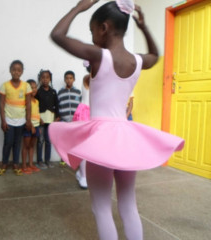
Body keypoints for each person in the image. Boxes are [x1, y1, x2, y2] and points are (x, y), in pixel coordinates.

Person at [49, 1, 184, 239]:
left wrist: (79, 7)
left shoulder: (99, 56)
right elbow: (155, 55)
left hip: (101, 138)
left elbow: (57, 35)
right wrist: (143, 28)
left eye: (92, 33)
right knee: (128, 205)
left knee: (101, 208)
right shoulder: (137, 61)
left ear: (104, 27)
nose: (92, 39)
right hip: (126, 138)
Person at [0, 60, 32, 176]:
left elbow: (28, 104)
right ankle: (4, 163)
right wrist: (3, 121)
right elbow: (1, 104)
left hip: (21, 120)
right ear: (10, 71)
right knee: (8, 142)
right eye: (14, 70)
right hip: (8, 120)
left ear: (22, 72)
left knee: (17, 143)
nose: (16, 72)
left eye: (18, 70)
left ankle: (16, 164)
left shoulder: (26, 86)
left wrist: (28, 120)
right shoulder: (4, 86)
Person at [35, 69, 59, 169]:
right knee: (40, 141)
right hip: (40, 121)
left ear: (50, 79)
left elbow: (57, 105)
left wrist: (57, 117)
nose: (45, 79)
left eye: (47, 77)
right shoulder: (38, 92)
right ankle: (40, 161)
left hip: (51, 121)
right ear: (40, 79)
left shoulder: (53, 92)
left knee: (48, 141)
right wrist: (38, 118)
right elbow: (34, 106)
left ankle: (47, 160)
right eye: (43, 77)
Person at [72, 60, 91, 189]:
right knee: (85, 147)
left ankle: (83, 173)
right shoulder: (87, 78)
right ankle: (83, 175)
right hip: (86, 114)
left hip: (96, 113)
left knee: (94, 148)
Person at [57, 70, 81, 167]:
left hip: (75, 121)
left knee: (75, 141)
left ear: (74, 79)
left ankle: (74, 158)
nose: (69, 80)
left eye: (71, 78)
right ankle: (63, 158)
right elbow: (59, 105)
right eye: (67, 78)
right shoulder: (60, 92)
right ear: (64, 80)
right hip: (65, 121)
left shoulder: (78, 92)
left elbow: (80, 106)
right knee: (65, 141)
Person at [21, 79, 41, 174]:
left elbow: (36, 113)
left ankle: (31, 164)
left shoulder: (37, 101)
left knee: (32, 146)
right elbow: (25, 114)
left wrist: (39, 124)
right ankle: (24, 166)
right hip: (29, 126)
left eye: (35, 87)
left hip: (36, 126)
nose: (34, 89)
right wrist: (31, 125)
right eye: (31, 88)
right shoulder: (26, 101)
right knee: (26, 146)